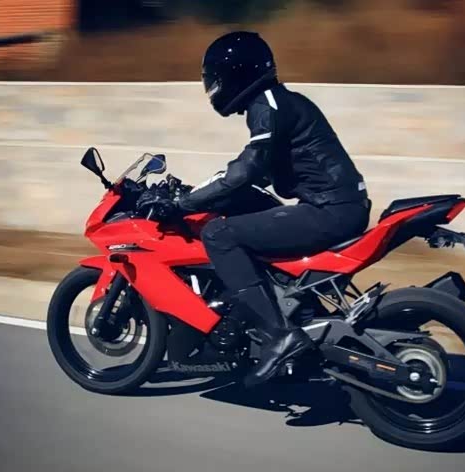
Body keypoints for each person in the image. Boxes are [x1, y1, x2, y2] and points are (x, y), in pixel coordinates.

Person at [139, 31, 370, 386]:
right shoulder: (277, 102)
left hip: (329, 211)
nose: (212, 88)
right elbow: (250, 174)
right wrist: (199, 194)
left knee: (219, 234)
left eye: (215, 79)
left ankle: (280, 335)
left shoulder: (268, 105)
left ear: (237, 74)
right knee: (239, 214)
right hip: (337, 206)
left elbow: (245, 170)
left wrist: (183, 203)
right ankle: (288, 311)